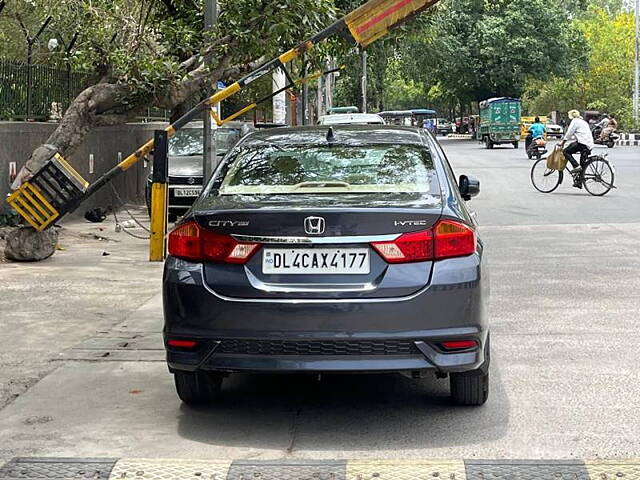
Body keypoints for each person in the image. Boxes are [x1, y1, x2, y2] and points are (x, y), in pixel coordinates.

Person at [559, 110, 594, 188]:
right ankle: (579, 181)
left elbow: (569, 133)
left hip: (583, 143)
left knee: (566, 151)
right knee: (582, 164)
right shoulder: (583, 122)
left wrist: (562, 143)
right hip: (589, 144)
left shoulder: (575, 121)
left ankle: (575, 166)